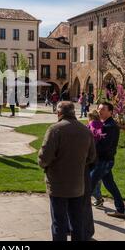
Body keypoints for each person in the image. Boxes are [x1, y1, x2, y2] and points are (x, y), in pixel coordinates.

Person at [38, 102, 96, 241]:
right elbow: (92, 157)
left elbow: (44, 157)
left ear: (59, 113)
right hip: (77, 183)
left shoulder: (55, 129)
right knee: (77, 222)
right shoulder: (85, 130)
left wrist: (45, 164)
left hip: (58, 184)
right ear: (73, 112)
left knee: (59, 222)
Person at [90, 102, 125, 219]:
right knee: (110, 185)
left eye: (103, 109)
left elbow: (105, 147)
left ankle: (79, 214)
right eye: (99, 109)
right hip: (104, 161)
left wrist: (91, 148)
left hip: (103, 162)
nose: (99, 111)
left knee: (88, 184)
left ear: (110, 112)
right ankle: (121, 210)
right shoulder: (104, 124)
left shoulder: (110, 126)